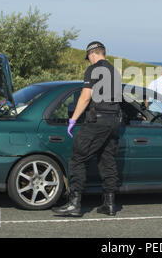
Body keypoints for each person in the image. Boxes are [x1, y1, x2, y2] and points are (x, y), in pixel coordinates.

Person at [52, 41, 122, 217]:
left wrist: (73, 120)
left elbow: (85, 97)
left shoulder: (93, 69)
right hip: (114, 120)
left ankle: (74, 204)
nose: (89, 61)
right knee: (107, 159)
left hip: (97, 120)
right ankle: (110, 204)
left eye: (89, 57)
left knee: (77, 158)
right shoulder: (115, 71)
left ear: (92, 54)